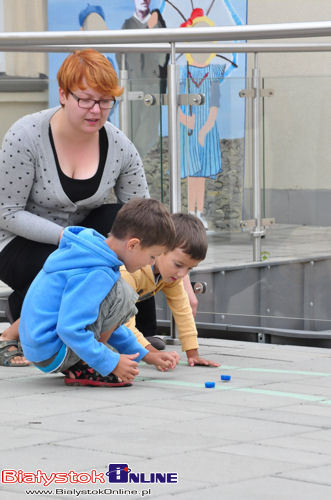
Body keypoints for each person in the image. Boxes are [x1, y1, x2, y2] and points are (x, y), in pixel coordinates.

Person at [0, 48, 150, 367]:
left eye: (105, 101)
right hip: (15, 240)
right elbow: (6, 212)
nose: (96, 110)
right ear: (64, 94)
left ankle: (142, 336)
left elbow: (144, 215)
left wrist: (174, 269)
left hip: (77, 240)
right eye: (86, 99)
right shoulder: (24, 136)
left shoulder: (120, 145)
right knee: (74, 266)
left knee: (128, 229)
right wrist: (67, 237)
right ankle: (19, 330)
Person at [19, 198, 179, 387]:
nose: (152, 263)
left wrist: (146, 355)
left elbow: (104, 321)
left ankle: (87, 361)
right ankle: (88, 367)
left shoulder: (89, 252)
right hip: (53, 351)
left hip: (42, 348)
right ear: (133, 245)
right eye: (152, 256)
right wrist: (109, 362)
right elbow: (69, 328)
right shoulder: (98, 272)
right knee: (123, 293)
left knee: (119, 291)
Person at [121, 213, 219, 367]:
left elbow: (183, 309)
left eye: (190, 268)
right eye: (179, 265)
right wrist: (153, 355)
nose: (182, 274)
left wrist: (192, 354)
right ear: (161, 248)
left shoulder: (171, 275)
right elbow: (123, 322)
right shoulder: (130, 271)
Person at [116, 0, 168, 157]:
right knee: (130, 123)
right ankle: (130, 158)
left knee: (150, 124)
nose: (144, 1)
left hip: (152, 82)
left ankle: (136, 156)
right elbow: (120, 54)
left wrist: (154, 25)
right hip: (132, 82)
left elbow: (163, 53)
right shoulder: (127, 25)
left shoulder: (157, 22)